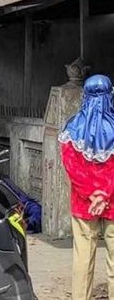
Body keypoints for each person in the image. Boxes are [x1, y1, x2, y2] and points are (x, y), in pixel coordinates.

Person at [59, 74, 114, 300]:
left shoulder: (72, 128)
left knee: (82, 259)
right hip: (112, 203)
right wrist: (105, 195)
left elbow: (72, 168)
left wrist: (92, 195)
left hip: (83, 204)